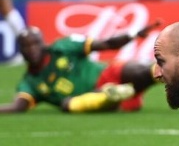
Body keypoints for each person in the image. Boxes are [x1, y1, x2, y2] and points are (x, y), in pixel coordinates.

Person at [0, 22, 161, 113]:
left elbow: (106, 44)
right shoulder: (29, 83)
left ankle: (175, 73)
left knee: (138, 71)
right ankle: (110, 95)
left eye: (35, 43)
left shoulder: (63, 47)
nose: (32, 49)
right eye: (26, 46)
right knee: (67, 105)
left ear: (43, 43)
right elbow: (17, 106)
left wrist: (133, 34)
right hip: (98, 103)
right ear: (20, 50)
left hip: (106, 75)